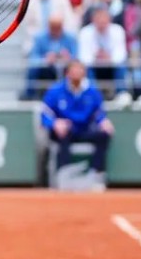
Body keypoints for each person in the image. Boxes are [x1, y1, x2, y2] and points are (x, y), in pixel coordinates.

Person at [40, 59, 115, 190]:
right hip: (64, 131)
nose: (77, 73)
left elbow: (99, 113)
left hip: (84, 129)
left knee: (104, 135)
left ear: (84, 73)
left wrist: (103, 121)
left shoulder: (92, 92)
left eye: (80, 70)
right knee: (63, 134)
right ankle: (64, 176)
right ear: (67, 73)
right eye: (73, 70)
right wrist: (55, 123)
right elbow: (45, 114)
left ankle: (97, 175)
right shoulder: (56, 91)